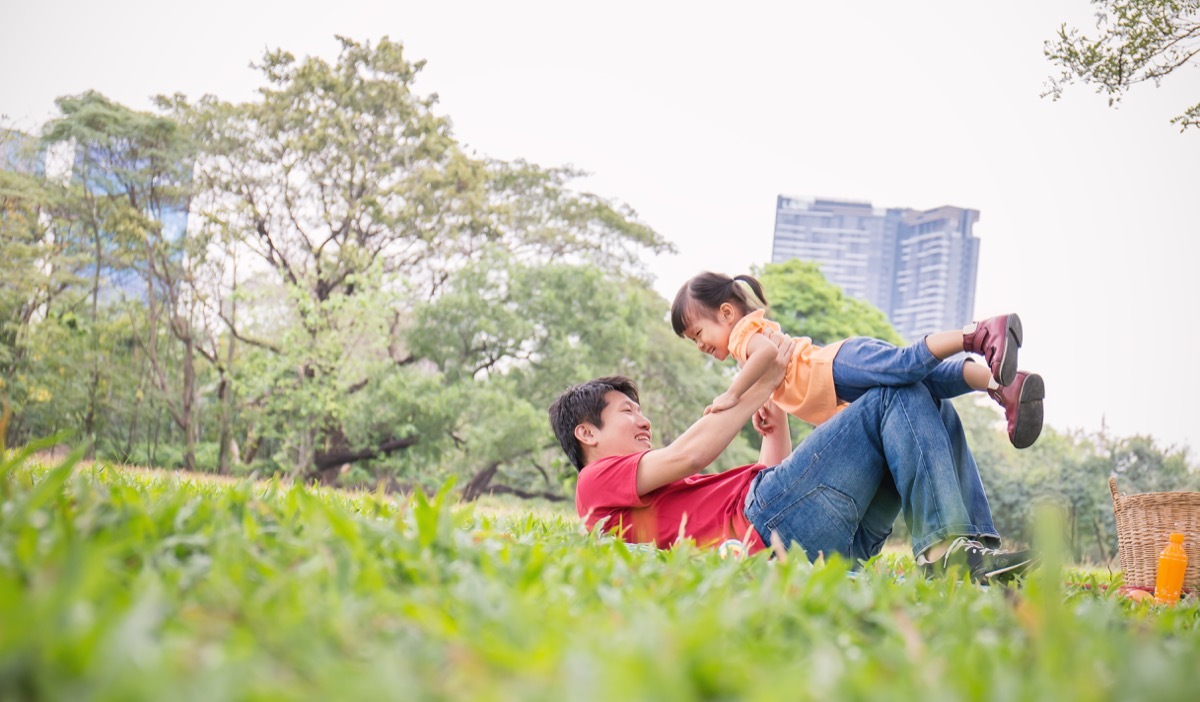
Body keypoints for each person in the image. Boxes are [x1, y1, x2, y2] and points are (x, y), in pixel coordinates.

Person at [548, 332, 1038, 584]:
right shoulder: (596, 482)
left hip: (809, 538)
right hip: (778, 528)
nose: (643, 420)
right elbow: (692, 452)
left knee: (916, 396)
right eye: (626, 412)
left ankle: (963, 552)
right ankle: (949, 557)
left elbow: (769, 481)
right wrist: (760, 379)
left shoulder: (656, 496)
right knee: (894, 393)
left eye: (640, 410)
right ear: (586, 432)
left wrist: (776, 426)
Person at [670, 271, 1045, 448]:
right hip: (837, 382)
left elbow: (766, 354)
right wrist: (768, 404)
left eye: (698, 335)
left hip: (835, 367)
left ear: (725, 313)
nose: (700, 345)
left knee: (907, 363)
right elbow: (774, 370)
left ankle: (978, 334)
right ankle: (1002, 386)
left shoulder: (742, 339)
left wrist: (732, 395)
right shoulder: (748, 338)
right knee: (925, 381)